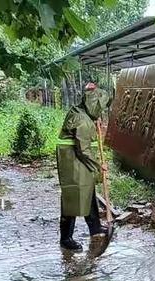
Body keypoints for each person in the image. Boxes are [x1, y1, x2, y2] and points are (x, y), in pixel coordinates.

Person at [56, 84, 110, 252]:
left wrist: (95, 122)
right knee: (73, 195)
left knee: (88, 189)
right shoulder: (82, 120)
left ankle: (95, 227)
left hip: (76, 156)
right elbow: (83, 149)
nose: (101, 111)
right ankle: (66, 238)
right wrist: (98, 165)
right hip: (72, 160)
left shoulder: (82, 113)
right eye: (100, 108)